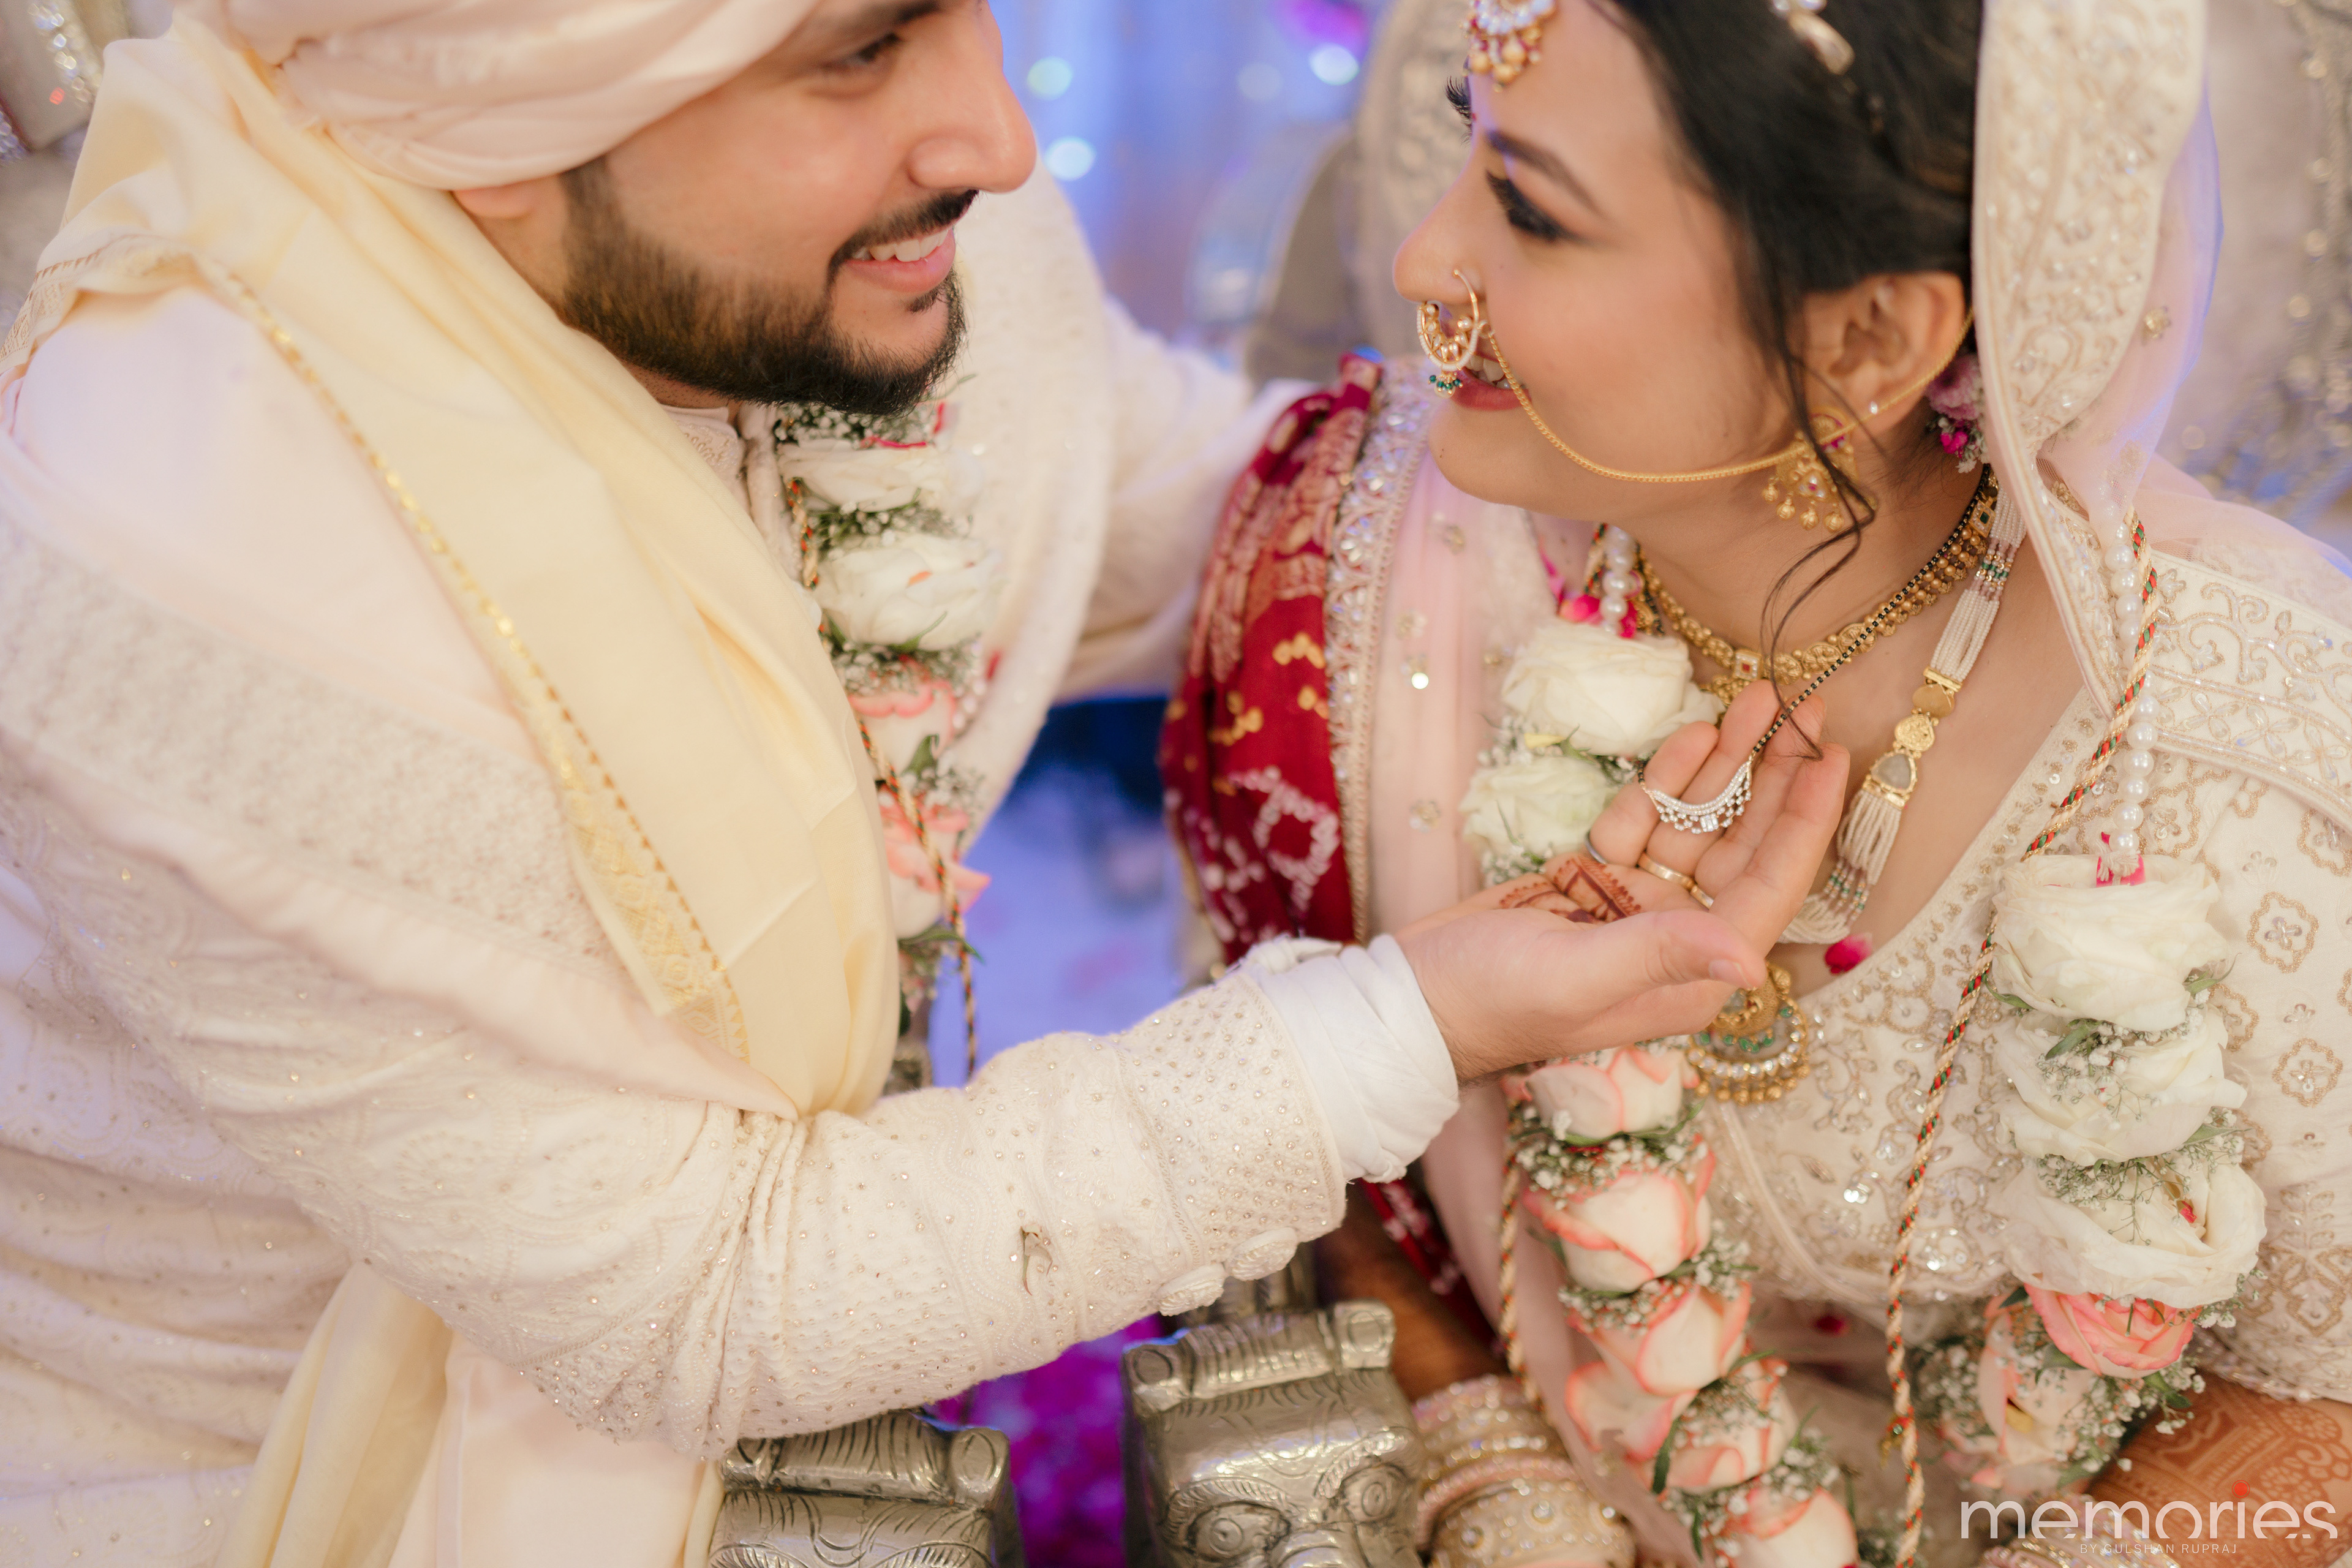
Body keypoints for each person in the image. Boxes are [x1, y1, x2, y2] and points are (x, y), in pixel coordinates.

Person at [0, 3, 1860, 1566]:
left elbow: (1240, 537)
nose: (999, 139)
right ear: (497, 118)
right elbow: (706, 1296)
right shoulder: (191, 572)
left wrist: (1807, 536)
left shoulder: (916, 253)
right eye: (861, 49)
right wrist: (1410, 1022)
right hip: (276, 1484)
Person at [1165, 0, 2352, 1565]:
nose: (1425, 261)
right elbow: (1319, 1156)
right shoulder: (1355, 566)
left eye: (1531, 210)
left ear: (1872, 339)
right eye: (1467, 144)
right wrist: (1492, 1480)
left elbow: (2326, 1397)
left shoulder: (2231, 743)